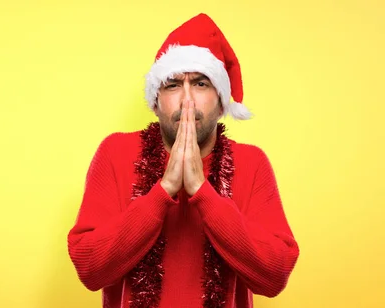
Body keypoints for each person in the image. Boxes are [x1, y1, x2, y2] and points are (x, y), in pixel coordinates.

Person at [66, 13, 300, 308]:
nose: (186, 100)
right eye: (173, 84)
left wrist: (203, 192)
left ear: (221, 100)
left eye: (201, 84)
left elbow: (274, 276)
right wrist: (163, 190)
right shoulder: (116, 152)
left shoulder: (251, 162)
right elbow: (90, 270)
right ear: (156, 100)